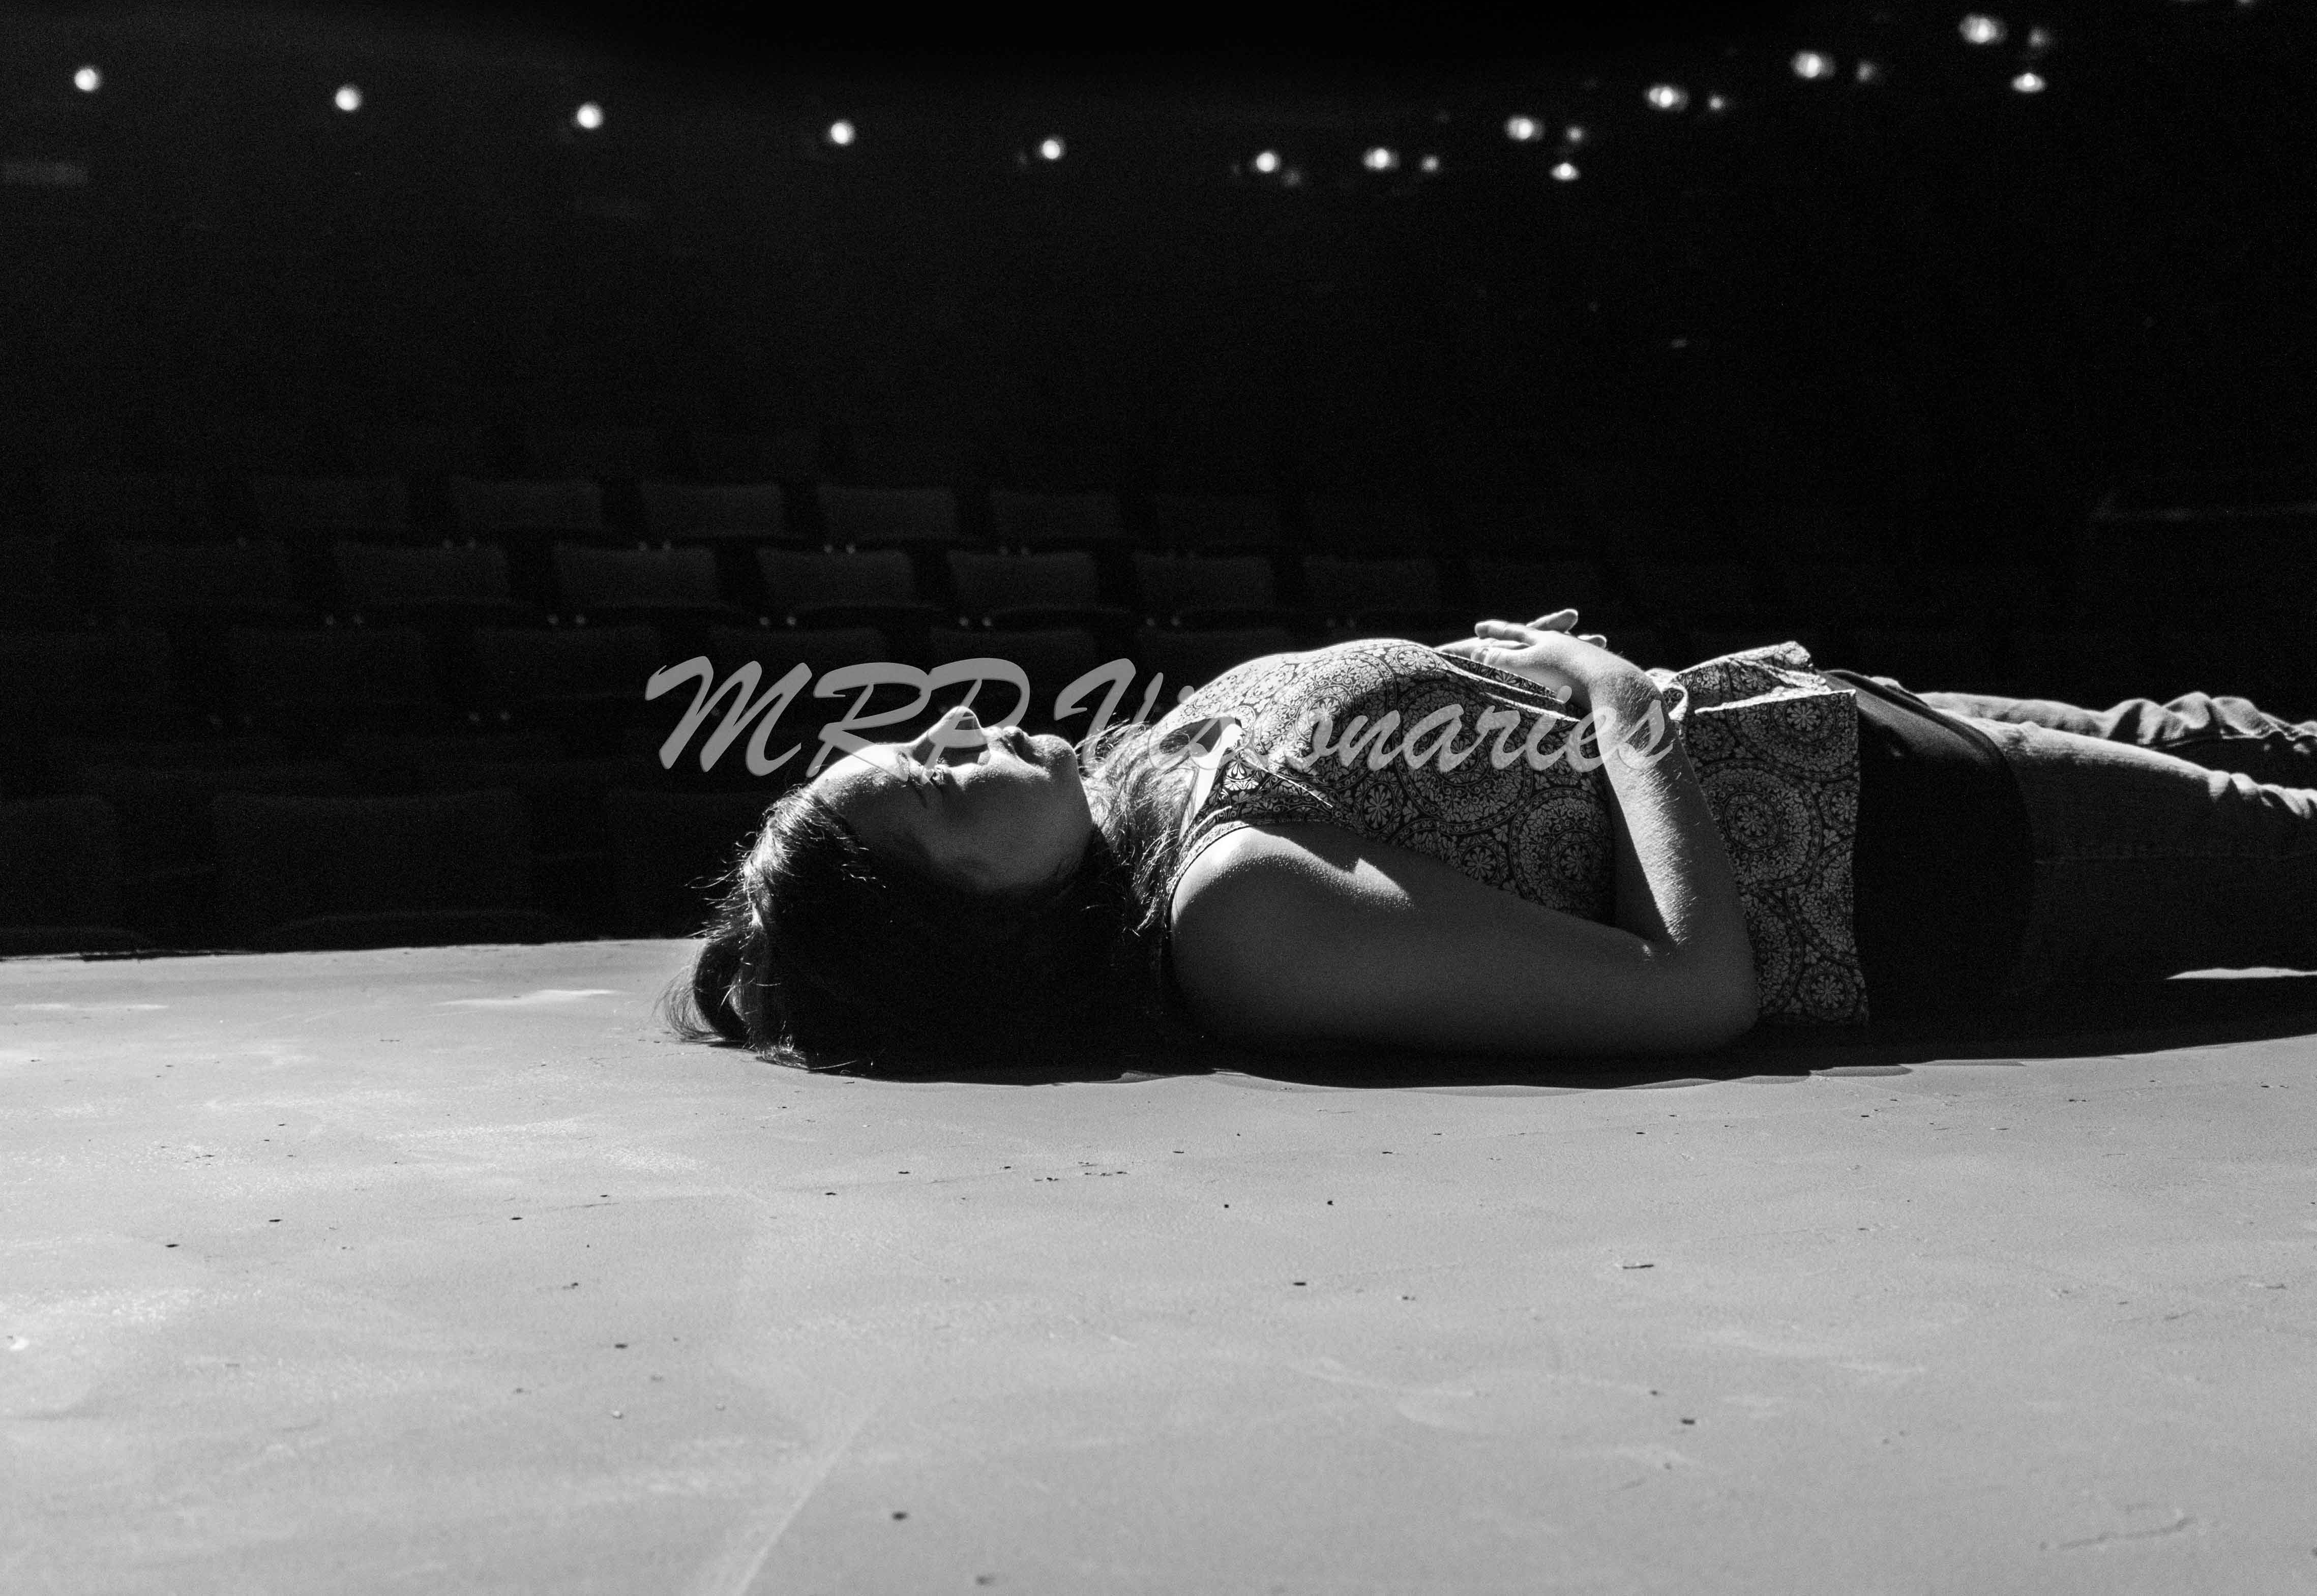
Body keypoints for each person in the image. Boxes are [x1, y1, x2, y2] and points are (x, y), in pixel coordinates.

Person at [671, 610, 2317, 1075]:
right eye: (934, 791)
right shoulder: (1240, 918)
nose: (954, 735)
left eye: (914, 742)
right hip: (1922, 855)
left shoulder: (1139, 782)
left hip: (1847, 731)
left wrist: (1492, 676)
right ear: (984, 925)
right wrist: (1618, 710)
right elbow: (1687, 993)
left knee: (2254, 740)